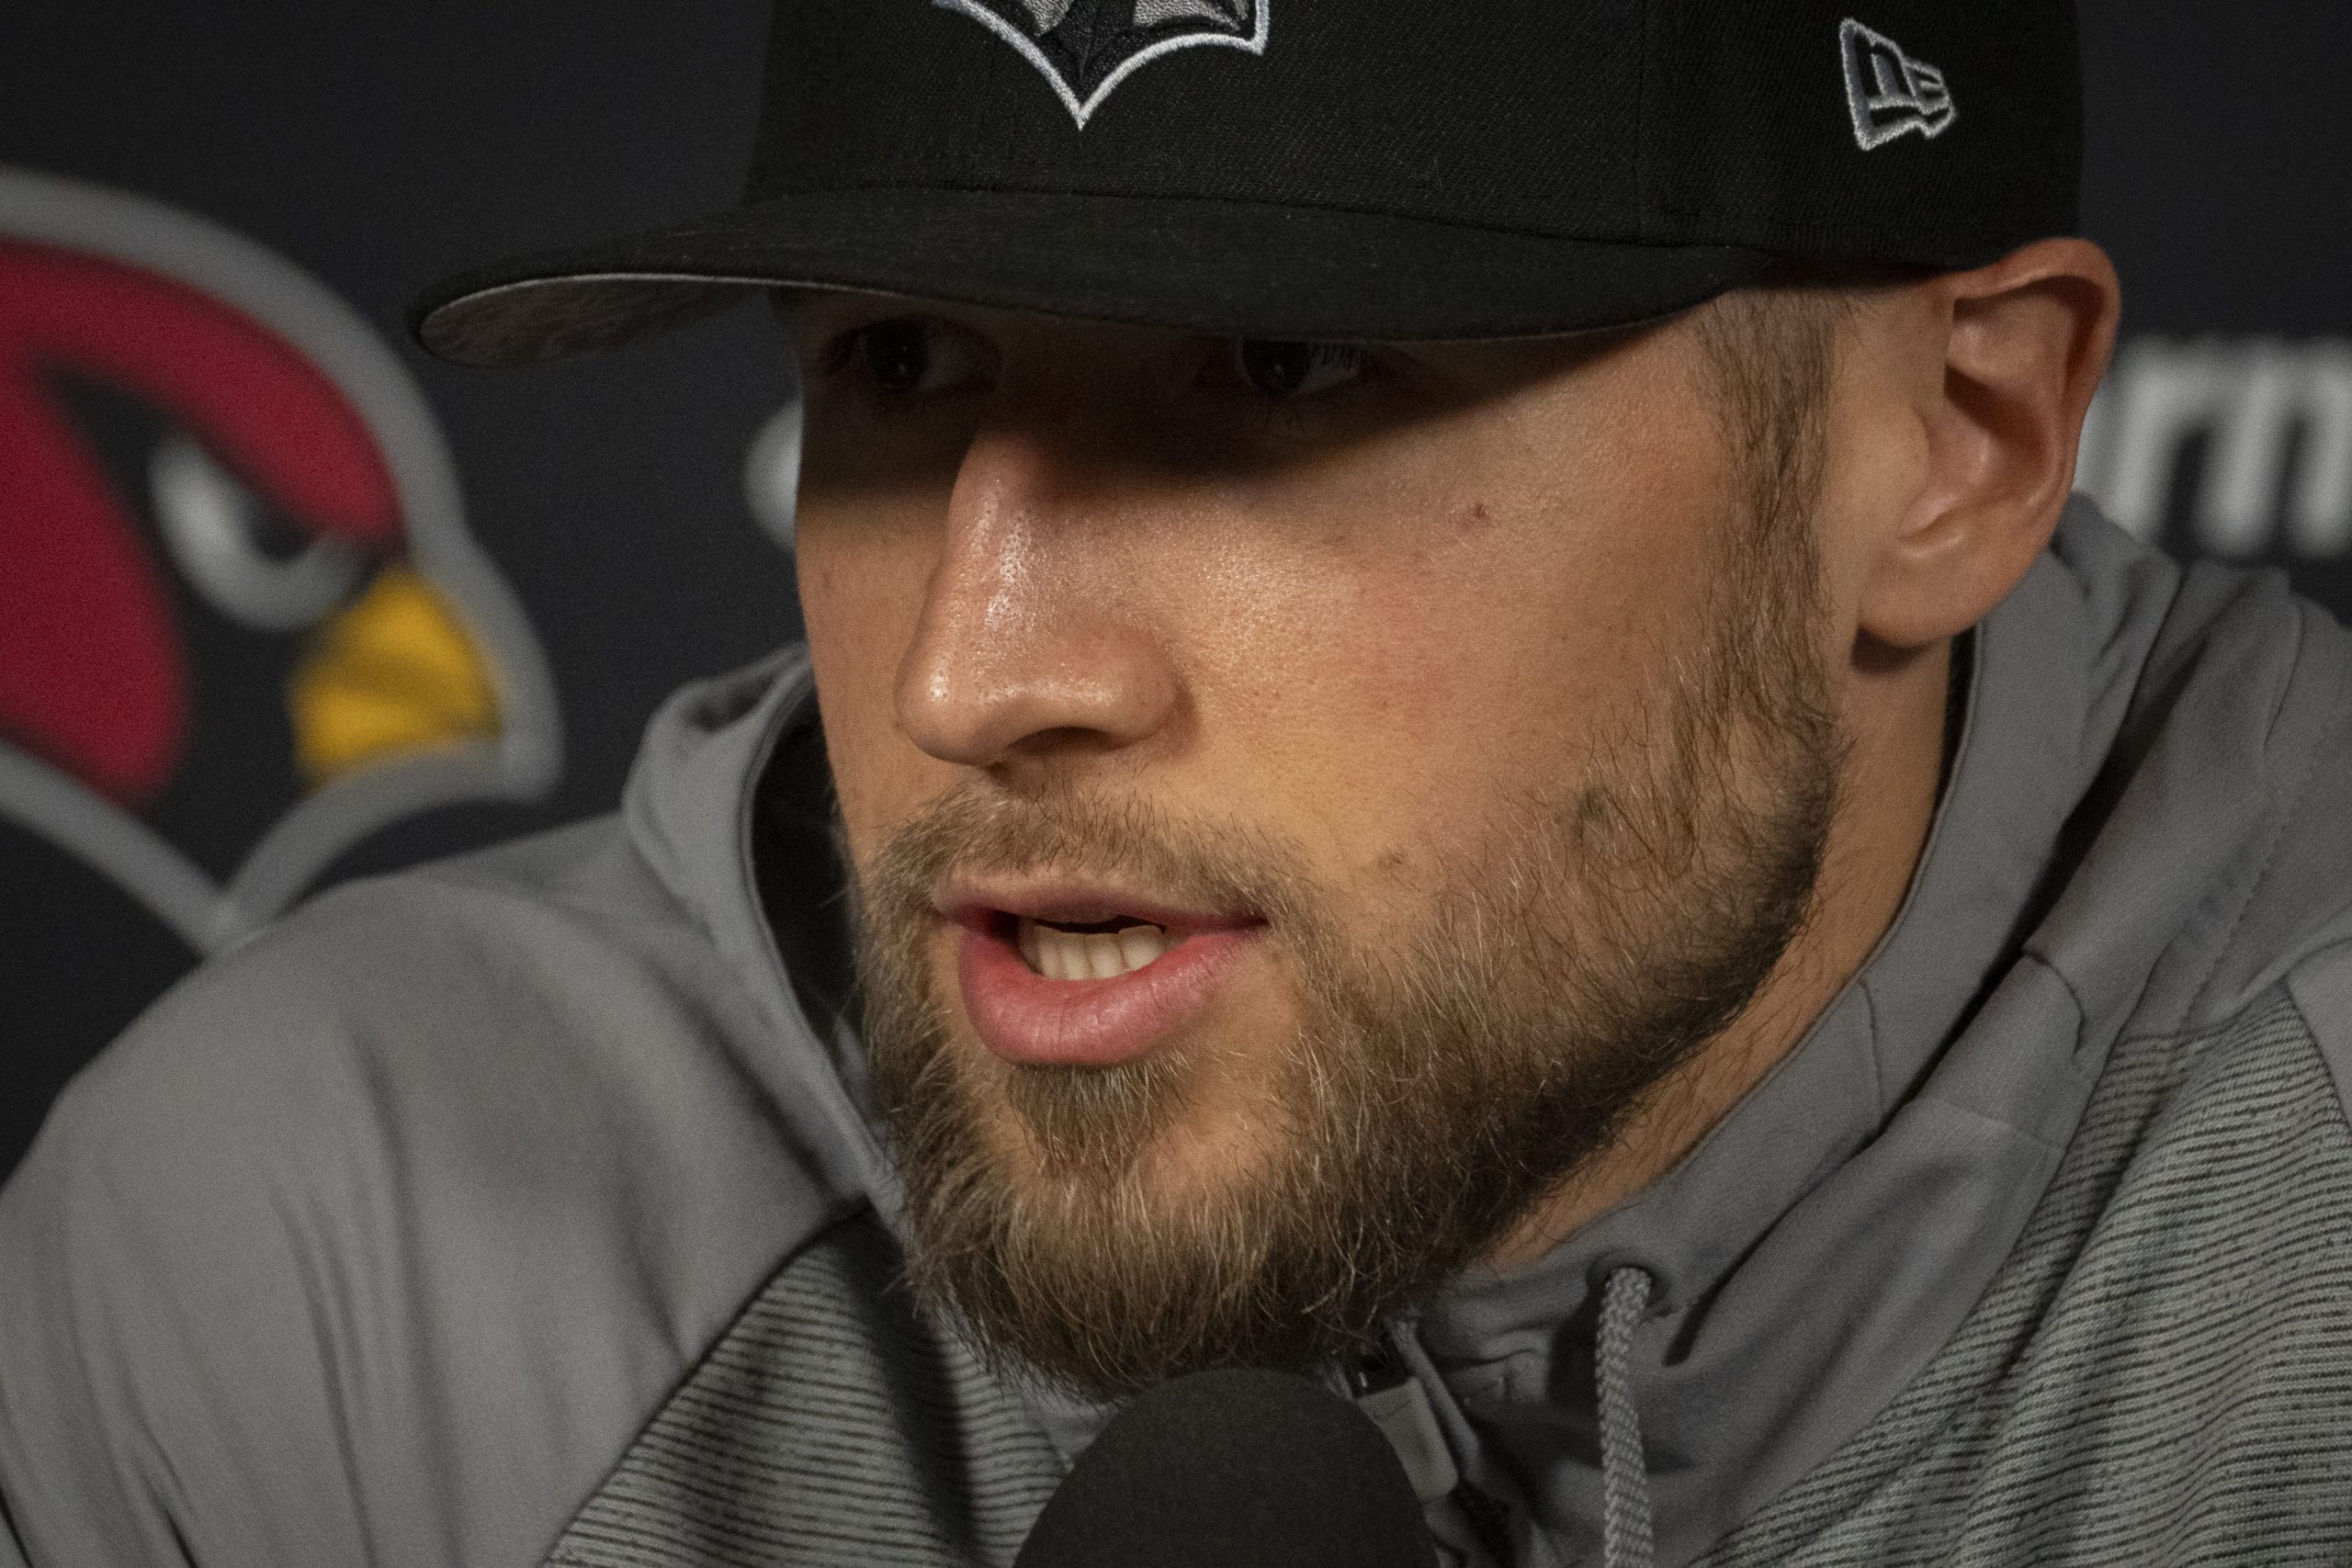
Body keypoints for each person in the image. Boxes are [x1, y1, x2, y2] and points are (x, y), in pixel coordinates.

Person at [6, 1, 2351, 1564]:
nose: (967, 671)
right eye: (900, 361)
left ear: (1954, 446)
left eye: (1287, 363)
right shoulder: (339, 1254)